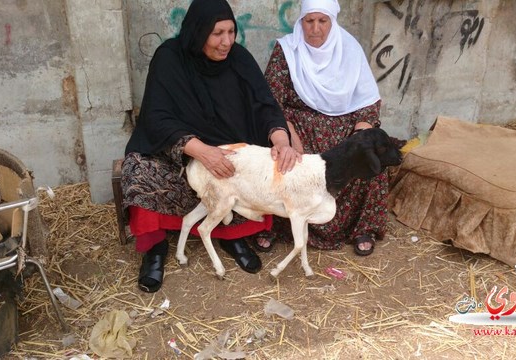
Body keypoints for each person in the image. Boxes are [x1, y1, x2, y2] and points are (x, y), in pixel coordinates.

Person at [122, 0, 300, 293]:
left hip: (229, 150)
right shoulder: (169, 58)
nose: (227, 41)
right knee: (139, 170)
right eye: (217, 33)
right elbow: (155, 115)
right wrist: (201, 151)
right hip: (180, 151)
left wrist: (281, 140)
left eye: (231, 31)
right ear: (198, 30)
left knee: (247, 169)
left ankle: (232, 235)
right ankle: (154, 248)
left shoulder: (239, 59)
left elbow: (264, 104)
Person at [262, 0, 391, 256]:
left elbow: (368, 102)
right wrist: (288, 135)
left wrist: (359, 136)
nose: (315, 29)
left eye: (323, 21)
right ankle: (279, 228)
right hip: (297, 125)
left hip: (344, 128)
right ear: (301, 22)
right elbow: (271, 101)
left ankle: (361, 228)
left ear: (332, 22)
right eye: (309, 21)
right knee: (282, 161)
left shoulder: (349, 49)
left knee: (369, 159)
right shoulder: (287, 50)